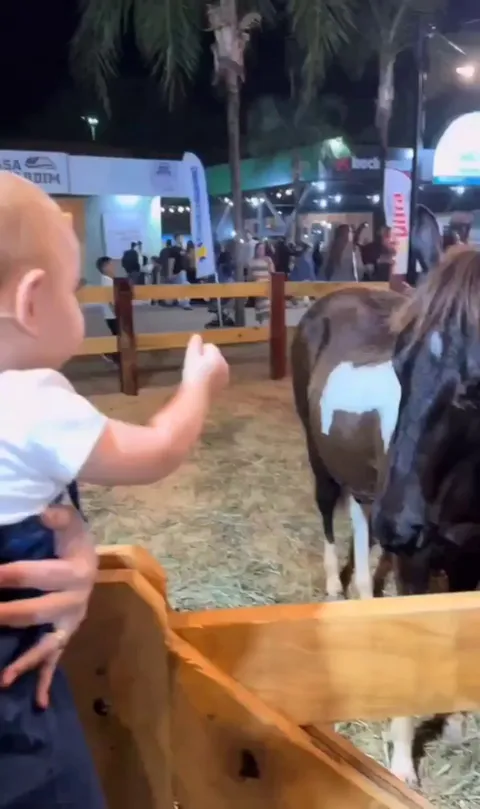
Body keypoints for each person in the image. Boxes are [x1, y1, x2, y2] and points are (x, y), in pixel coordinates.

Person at [0, 172, 229, 808]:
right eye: (75, 291)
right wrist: (197, 387)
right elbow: (154, 451)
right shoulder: (31, 400)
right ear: (32, 301)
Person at [96, 256, 120, 366]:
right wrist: (118, 312)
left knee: (117, 335)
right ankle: (111, 355)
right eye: (110, 264)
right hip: (112, 315)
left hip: (110, 314)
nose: (113, 266)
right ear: (104, 267)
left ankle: (112, 355)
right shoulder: (107, 281)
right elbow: (111, 300)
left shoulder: (107, 279)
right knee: (118, 336)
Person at [248, 241, 275, 324]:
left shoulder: (268, 260)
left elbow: (273, 272)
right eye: (259, 248)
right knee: (260, 306)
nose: (261, 250)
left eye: (263, 248)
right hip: (257, 285)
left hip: (267, 284)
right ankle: (261, 324)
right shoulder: (251, 261)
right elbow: (249, 276)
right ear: (256, 250)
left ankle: (269, 324)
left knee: (268, 305)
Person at [170, 235, 192, 311]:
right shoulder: (173, 250)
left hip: (182, 270)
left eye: (182, 238)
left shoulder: (183, 249)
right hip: (176, 270)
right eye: (180, 238)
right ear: (176, 239)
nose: (181, 239)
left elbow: (187, 258)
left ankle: (185, 303)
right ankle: (180, 302)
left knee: (184, 285)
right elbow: (171, 260)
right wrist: (170, 272)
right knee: (178, 286)